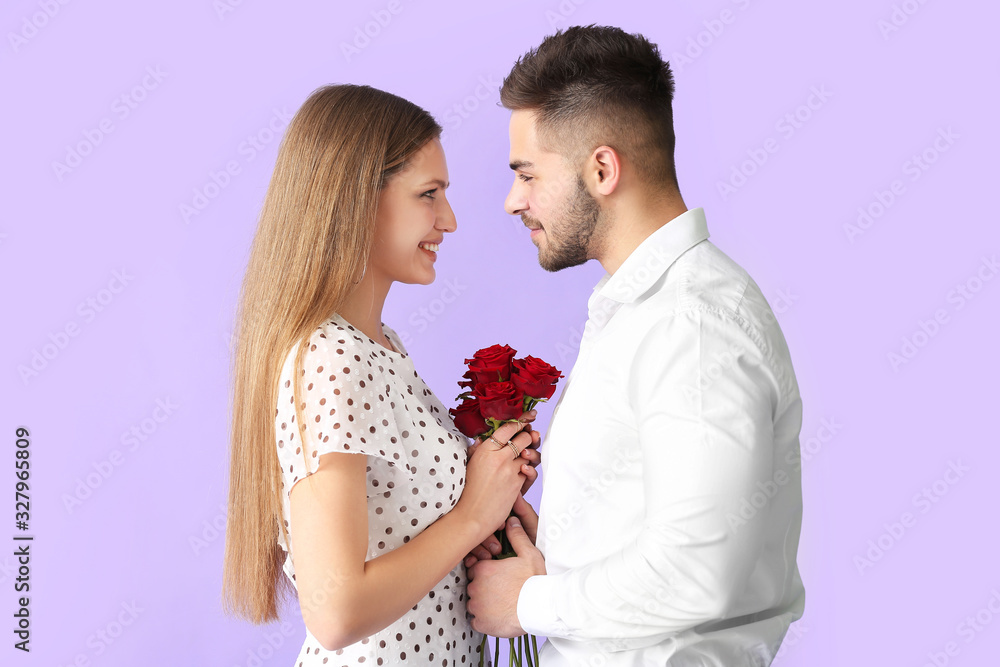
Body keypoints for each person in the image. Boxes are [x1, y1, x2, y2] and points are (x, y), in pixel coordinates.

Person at [465, 25, 807, 666]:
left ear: (601, 169)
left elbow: (698, 570)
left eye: (528, 174)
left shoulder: (691, 323)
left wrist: (531, 601)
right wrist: (561, 562)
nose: (514, 201)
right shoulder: (646, 310)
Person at [221, 83, 542, 665]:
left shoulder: (381, 346)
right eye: (429, 194)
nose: (448, 219)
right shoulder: (332, 358)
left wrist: (495, 502)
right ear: (355, 201)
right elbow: (335, 610)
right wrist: (474, 514)